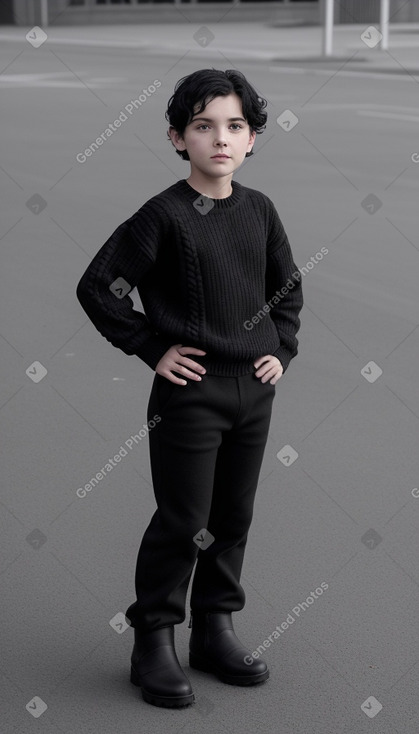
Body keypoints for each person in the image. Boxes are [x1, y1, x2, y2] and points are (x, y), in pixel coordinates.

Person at [76, 68, 303, 709]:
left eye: (235, 126)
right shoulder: (165, 215)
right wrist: (152, 346)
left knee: (232, 519)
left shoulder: (260, 211)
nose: (221, 139)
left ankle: (214, 629)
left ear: (253, 138)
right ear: (178, 138)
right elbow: (100, 287)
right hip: (190, 396)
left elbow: (288, 290)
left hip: (252, 394)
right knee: (184, 521)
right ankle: (153, 639)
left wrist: (280, 350)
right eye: (203, 126)